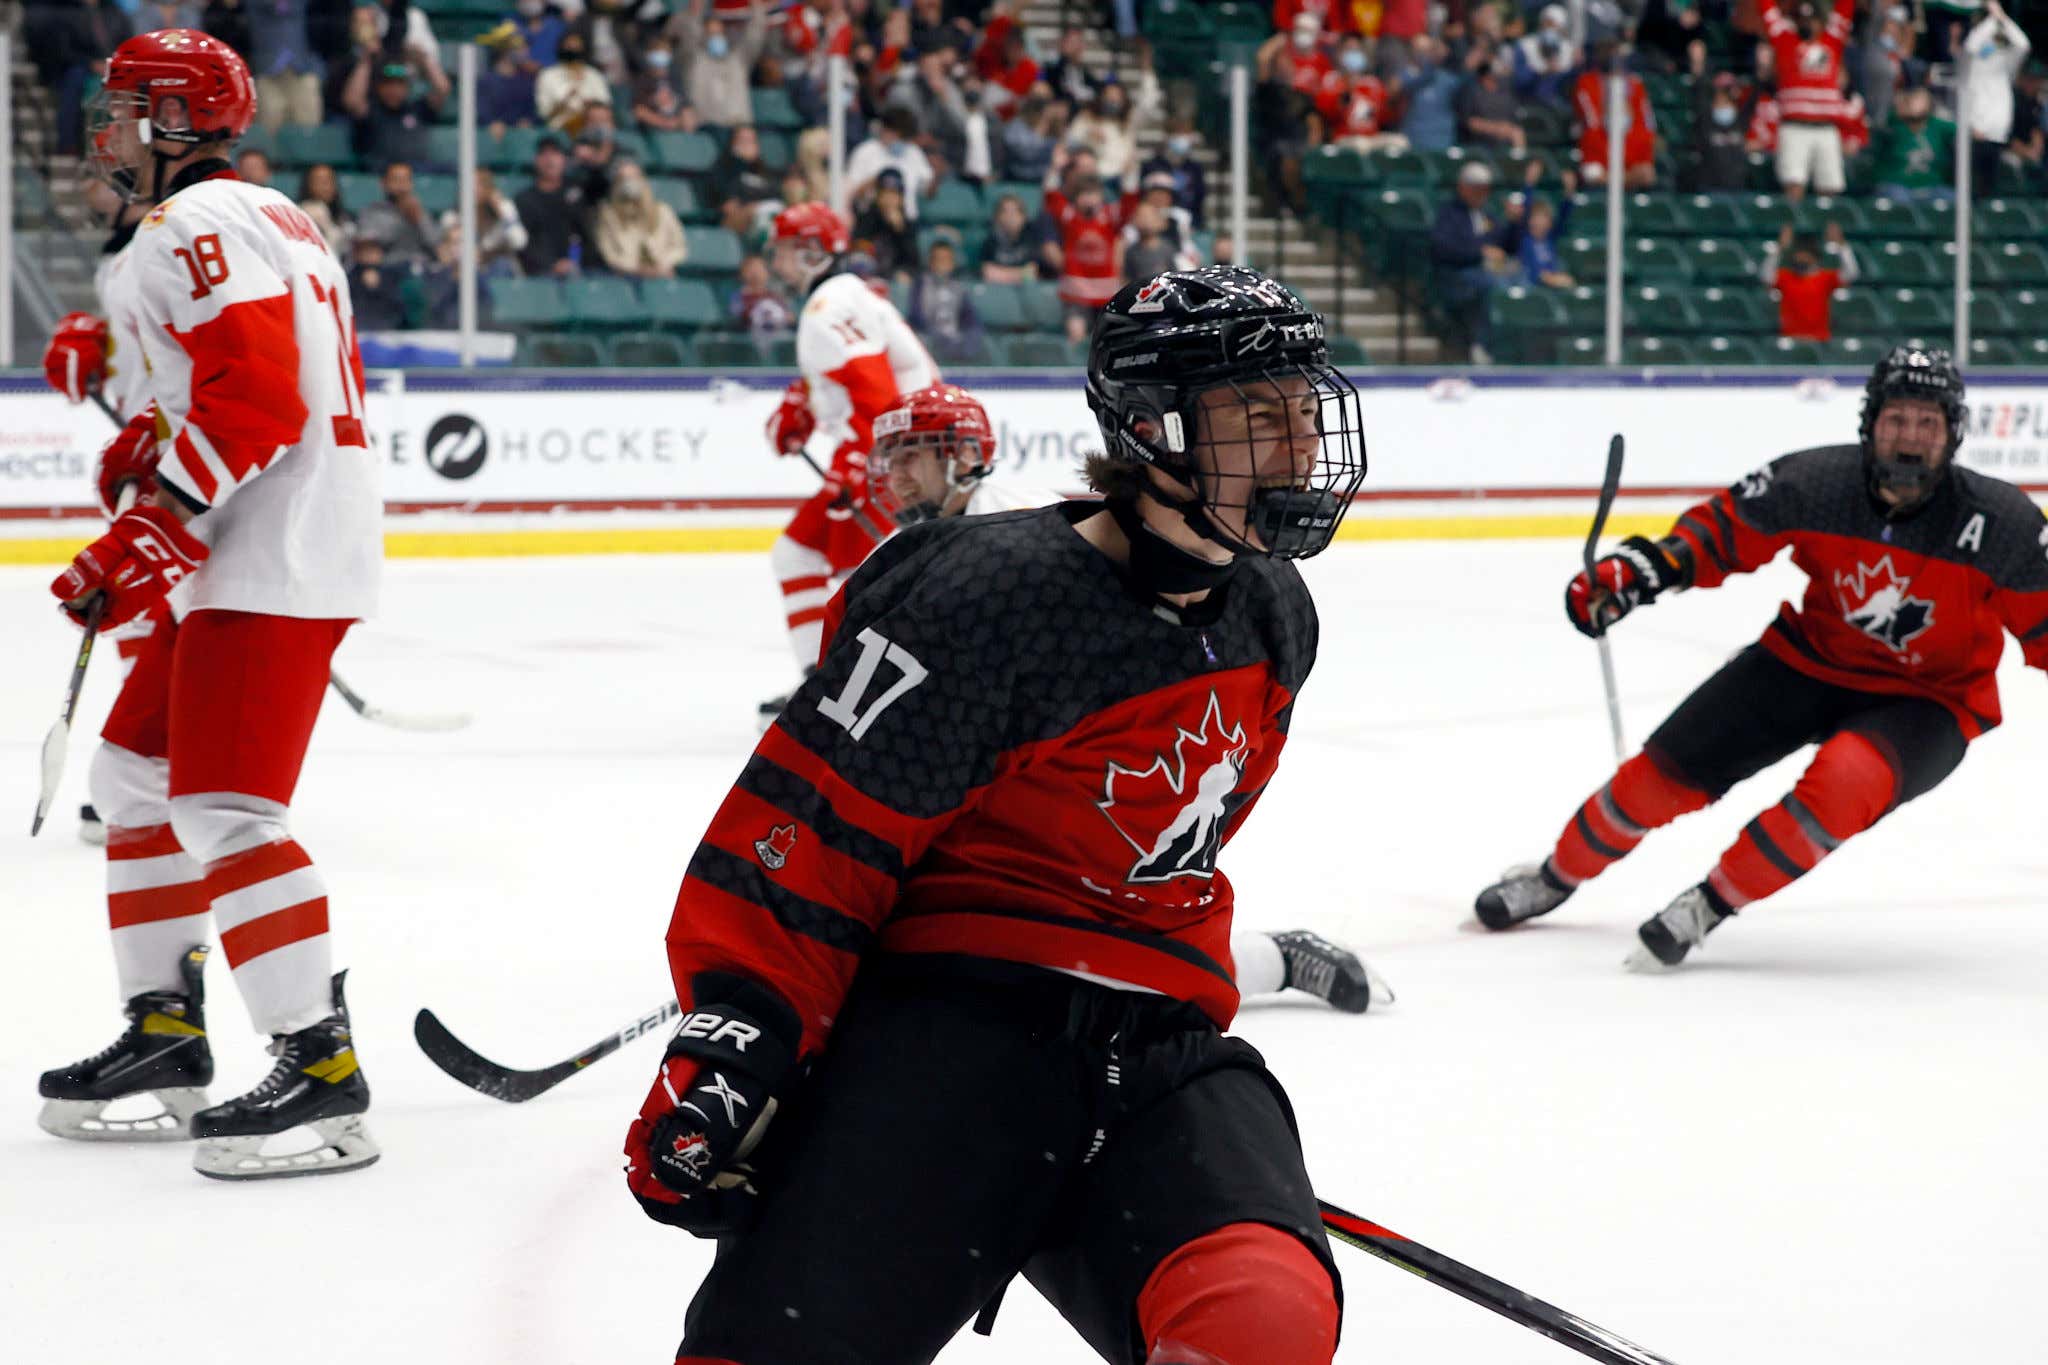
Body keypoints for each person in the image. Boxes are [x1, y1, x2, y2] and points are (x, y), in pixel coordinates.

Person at [621, 266, 1372, 1365]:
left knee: (1260, 1316)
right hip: (952, 1037)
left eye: (1304, 410)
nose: (1299, 447)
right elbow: (809, 842)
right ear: (1153, 425)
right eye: (1257, 415)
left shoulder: (1271, 610)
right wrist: (739, 1039)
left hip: (1159, 1053)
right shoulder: (988, 600)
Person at [37, 28, 382, 1180]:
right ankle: (165, 1036)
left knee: (231, 807)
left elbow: (254, 399)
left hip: (269, 547)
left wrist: (151, 523)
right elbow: (253, 382)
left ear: (179, 123)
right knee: (131, 780)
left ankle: (321, 1069)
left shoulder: (193, 222)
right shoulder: (269, 214)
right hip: (253, 536)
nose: (110, 129)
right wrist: (153, 436)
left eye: (129, 109)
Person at [1478, 347, 2048, 968]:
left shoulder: (2002, 524)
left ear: (1953, 434)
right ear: (1870, 424)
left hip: (1929, 699)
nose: (1910, 439)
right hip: (1807, 662)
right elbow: (1722, 532)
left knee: (1846, 779)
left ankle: (1708, 904)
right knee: (1658, 779)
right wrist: (1639, 573)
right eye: (1897, 421)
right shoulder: (1817, 483)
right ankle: (1555, 875)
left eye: (1927, 424)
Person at [757, 202, 939, 722]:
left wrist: (854, 465)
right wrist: (806, 401)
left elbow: (878, 397)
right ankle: (823, 683)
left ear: (814, 252)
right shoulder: (840, 297)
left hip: (897, 454)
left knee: (861, 577)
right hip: (898, 449)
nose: (779, 262)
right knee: (799, 556)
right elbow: (854, 377)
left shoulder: (829, 307)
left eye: (788, 251)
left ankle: (863, 697)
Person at [1761, 0, 1854, 201]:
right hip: (1794, 127)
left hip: (1827, 128)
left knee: (1830, 191)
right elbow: (1768, 11)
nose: (1808, 25)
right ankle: (1788, 233)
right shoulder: (1785, 42)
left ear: (1821, 22)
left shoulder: (1832, 41)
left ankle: (1831, 233)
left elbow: (1845, 10)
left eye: (1812, 20)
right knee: (1793, 190)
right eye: (1802, 20)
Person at [1958, 1, 2032, 197]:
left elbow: (2023, 44)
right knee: (1969, 187)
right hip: (1974, 131)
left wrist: (2002, 19)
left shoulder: (2006, 64)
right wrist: (1992, 19)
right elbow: (1972, 45)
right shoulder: (1971, 62)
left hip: (1997, 131)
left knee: (1988, 189)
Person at [1572, 44, 1654, 187]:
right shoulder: (1587, 82)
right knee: (1592, 173)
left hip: (1631, 157)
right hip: (1597, 155)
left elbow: (1646, 128)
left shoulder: (1635, 84)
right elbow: (1592, 124)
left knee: (1646, 173)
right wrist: (1627, 178)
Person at [1762, 221, 1858, 342]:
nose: (1802, 259)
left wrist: (1841, 244)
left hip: (1819, 339)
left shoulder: (1825, 278)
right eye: (1799, 255)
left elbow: (1851, 273)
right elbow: (1766, 276)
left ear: (1814, 258)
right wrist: (1779, 247)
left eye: (1806, 255)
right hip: (1791, 339)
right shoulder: (1785, 277)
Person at [593, 159, 687, 278]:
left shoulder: (663, 211)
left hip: (662, 272)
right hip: (626, 276)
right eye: (624, 178)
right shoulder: (607, 214)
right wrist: (637, 269)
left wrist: (663, 265)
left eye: (634, 177)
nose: (630, 182)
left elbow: (679, 246)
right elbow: (608, 253)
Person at [513, 135, 586, 276]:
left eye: (555, 153)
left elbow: (585, 236)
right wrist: (551, 264)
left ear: (564, 159)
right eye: (544, 154)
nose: (550, 159)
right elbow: (523, 243)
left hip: (579, 269)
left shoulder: (577, 194)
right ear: (536, 161)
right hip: (541, 272)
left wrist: (574, 261)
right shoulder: (524, 200)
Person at [354, 160, 446, 270]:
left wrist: (418, 219)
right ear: (384, 183)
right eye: (396, 180)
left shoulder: (419, 211)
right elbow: (368, 245)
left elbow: (436, 244)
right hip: (387, 269)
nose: (401, 186)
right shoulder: (371, 212)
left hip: (421, 268)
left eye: (405, 180)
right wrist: (402, 217)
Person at [1873, 84, 1957, 200]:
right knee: (1899, 199)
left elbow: (1961, 131)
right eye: (1912, 99)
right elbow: (1880, 126)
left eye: (1921, 99)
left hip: (1931, 185)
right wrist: (1899, 109)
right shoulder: (1894, 124)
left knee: (1954, 199)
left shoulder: (1938, 125)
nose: (1915, 103)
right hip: (1897, 184)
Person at [535, 25, 610, 132]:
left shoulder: (594, 75)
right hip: (559, 129)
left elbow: (605, 105)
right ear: (561, 47)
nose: (572, 48)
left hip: (592, 128)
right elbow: (543, 112)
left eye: (576, 46)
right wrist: (565, 101)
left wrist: (590, 106)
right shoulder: (547, 75)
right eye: (569, 46)